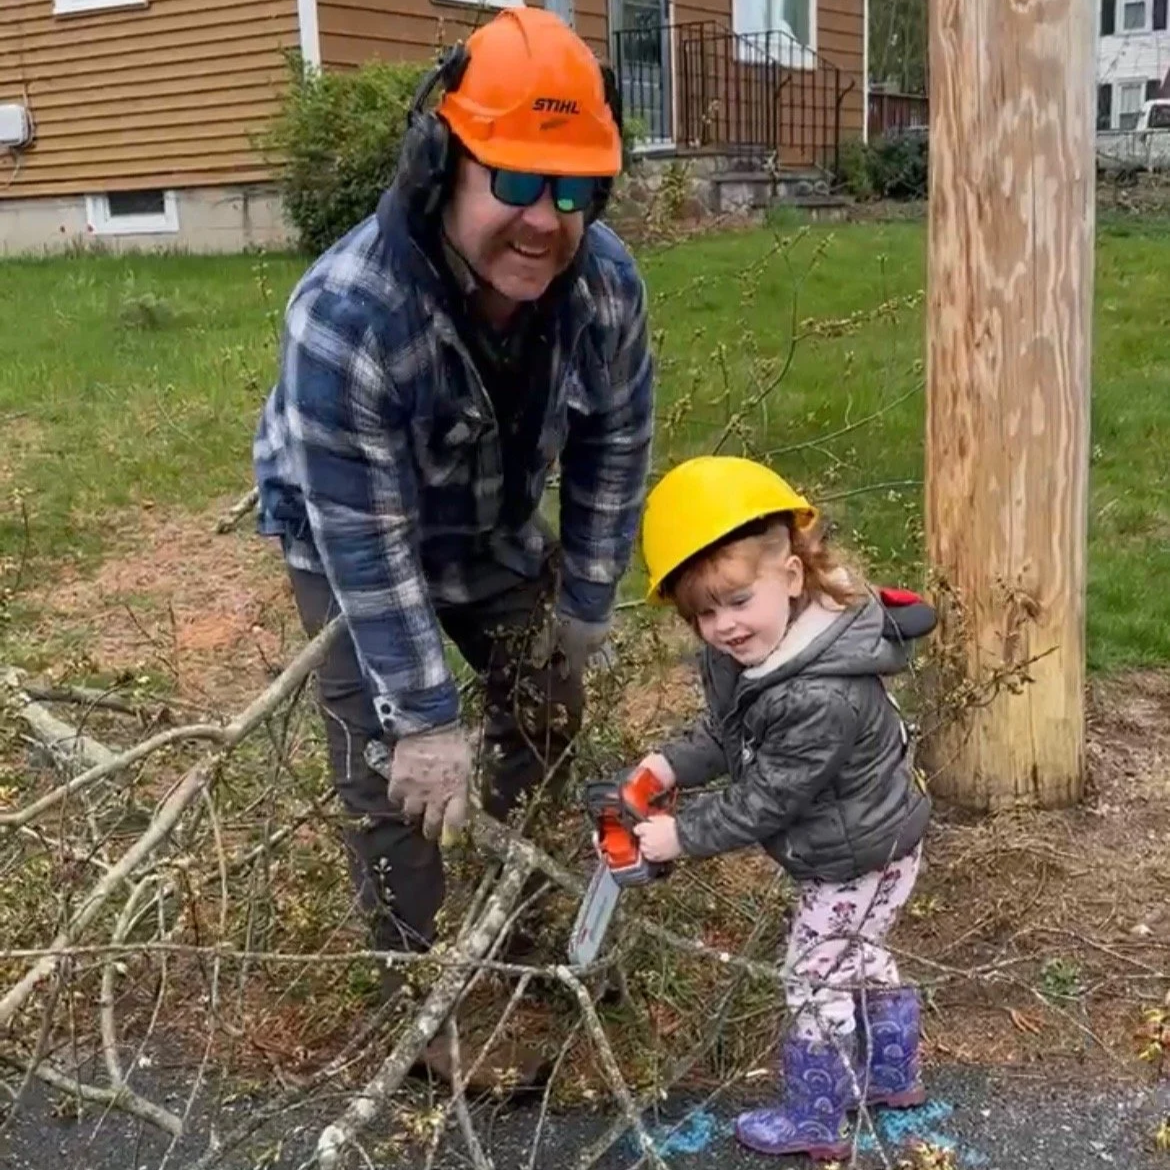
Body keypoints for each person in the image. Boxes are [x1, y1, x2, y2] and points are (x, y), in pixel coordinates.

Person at [252, 8, 654, 1086]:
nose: (544, 221)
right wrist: (425, 720)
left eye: (573, 192)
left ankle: (530, 945)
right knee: (395, 770)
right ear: (443, 164)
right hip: (344, 530)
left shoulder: (605, 287)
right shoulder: (348, 314)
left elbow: (616, 444)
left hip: (486, 517)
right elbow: (369, 542)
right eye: (517, 183)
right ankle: (423, 999)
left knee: (546, 709)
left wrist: (587, 600)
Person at [616, 455, 933, 1160]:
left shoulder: (817, 694)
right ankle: (890, 1072)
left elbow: (766, 798)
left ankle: (816, 1117)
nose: (723, 626)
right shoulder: (765, 654)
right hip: (861, 841)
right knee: (857, 953)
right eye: (703, 612)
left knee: (812, 973)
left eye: (735, 601)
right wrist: (666, 764)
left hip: (856, 854)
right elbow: (731, 736)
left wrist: (680, 835)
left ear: (790, 576)